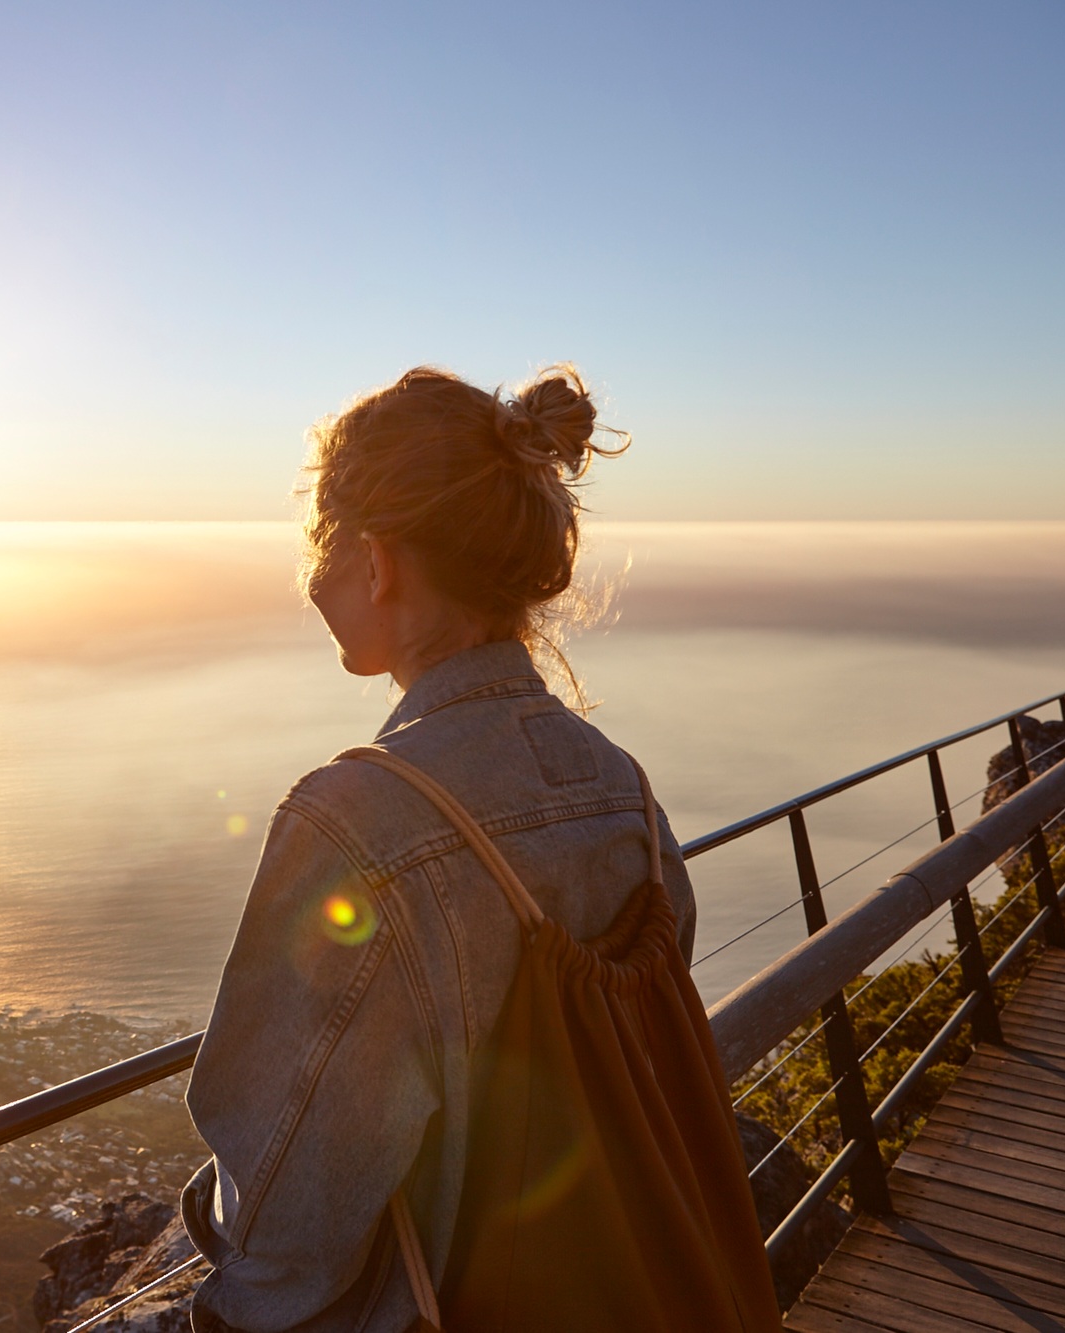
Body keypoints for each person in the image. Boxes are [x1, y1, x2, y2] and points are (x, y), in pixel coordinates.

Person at [179, 365, 772, 1332]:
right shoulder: (627, 790)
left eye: (321, 544)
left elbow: (287, 1228)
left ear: (377, 562)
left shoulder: (357, 821)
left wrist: (210, 1230)